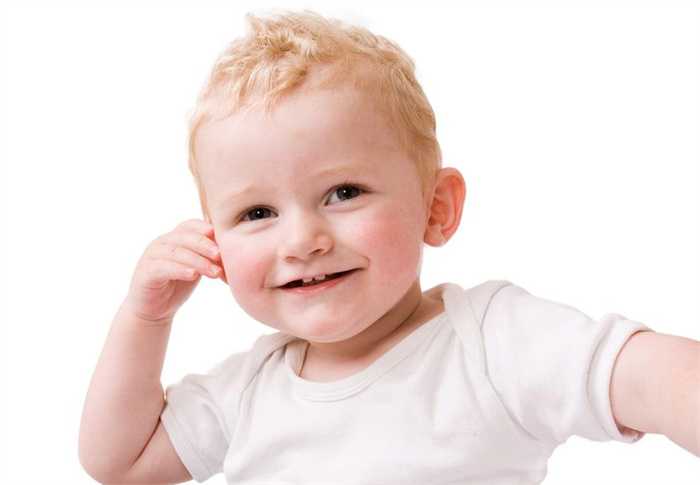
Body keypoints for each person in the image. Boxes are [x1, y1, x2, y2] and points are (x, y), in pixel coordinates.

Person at [78, 9, 699, 484]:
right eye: (257, 213)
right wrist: (146, 318)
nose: (302, 240)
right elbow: (121, 462)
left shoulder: (490, 344)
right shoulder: (248, 390)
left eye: (343, 192)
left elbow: (651, 378)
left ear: (435, 207)